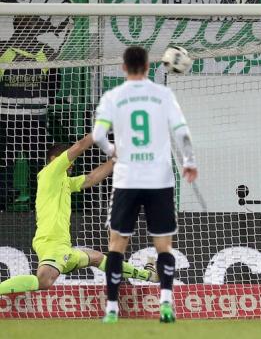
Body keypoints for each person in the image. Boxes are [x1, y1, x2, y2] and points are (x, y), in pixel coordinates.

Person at [92, 46, 198, 324]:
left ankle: (112, 308)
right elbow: (182, 132)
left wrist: (112, 151)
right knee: (163, 246)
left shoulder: (113, 97)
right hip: (159, 179)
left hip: (128, 179)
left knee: (116, 245)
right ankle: (165, 303)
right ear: (149, 68)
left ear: (124, 68)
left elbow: (98, 134)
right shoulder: (163, 95)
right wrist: (189, 161)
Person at [0, 135, 158, 296]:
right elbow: (80, 146)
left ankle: (149, 275)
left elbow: (91, 179)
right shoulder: (50, 172)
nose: (72, 164)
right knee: (44, 281)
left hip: (64, 247)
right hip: (51, 243)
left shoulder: (65, 183)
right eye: (68, 159)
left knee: (98, 258)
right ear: (55, 159)